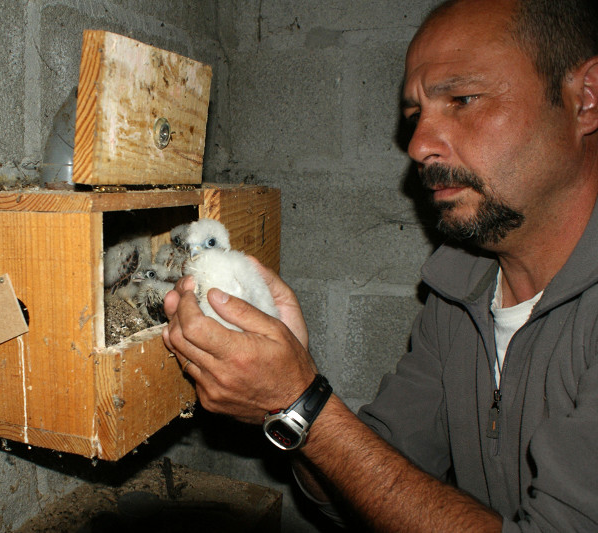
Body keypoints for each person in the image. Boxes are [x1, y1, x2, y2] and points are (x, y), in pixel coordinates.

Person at [162, 0, 598, 530]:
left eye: (462, 99)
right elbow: (373, 473)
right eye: (415, 116)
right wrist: (295, 387)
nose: (417, 145)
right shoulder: (460, 289)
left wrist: (300, 402)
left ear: (586, 98)